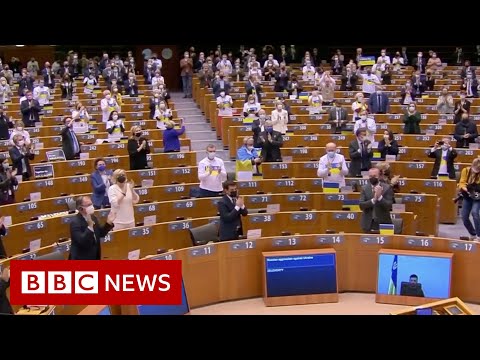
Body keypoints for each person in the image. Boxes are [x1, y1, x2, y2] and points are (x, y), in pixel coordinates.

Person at [69, 196, 115, 260]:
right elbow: (82, 241)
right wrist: (90, 227)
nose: (91, 207)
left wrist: (108, 223)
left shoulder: (93, 217)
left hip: (95, 256)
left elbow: (100, 233)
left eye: (91, 204)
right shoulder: (75, 223)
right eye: (88, 205)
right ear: (80, 208)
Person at [359, 167, 394, 233]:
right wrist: (373, 200)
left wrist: (380, 197)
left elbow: (389, 206)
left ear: (379, 176)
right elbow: (361, 205)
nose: (372, 178)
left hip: (384, 222)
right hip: (368, 223)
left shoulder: (387, 188)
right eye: (370, 176)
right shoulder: (364, 188)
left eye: (375, 176)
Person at [458, 158, 480, 241]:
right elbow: (462, 182)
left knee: (475, 213)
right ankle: (473, 234)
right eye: (475, 169)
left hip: (477, 197)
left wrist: (474, 190)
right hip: (467, 196)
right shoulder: (466, 170)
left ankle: (479, 235)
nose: (476, 171)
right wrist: (465, 188)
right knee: (464, 217)